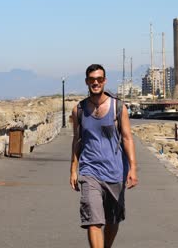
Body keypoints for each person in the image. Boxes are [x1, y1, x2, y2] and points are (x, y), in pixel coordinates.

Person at [70, 64, 138, 248]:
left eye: (99, 79)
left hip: (116, 171)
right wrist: (73, 170)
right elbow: (77, 141)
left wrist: (133, 168)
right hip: (89, 171)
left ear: (104, 81)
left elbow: (127, 138)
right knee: (93, 220)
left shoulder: (118, 107)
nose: (96, 83)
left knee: (112, 219)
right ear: (87, 82)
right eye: (92, 79)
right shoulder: (79, 110)